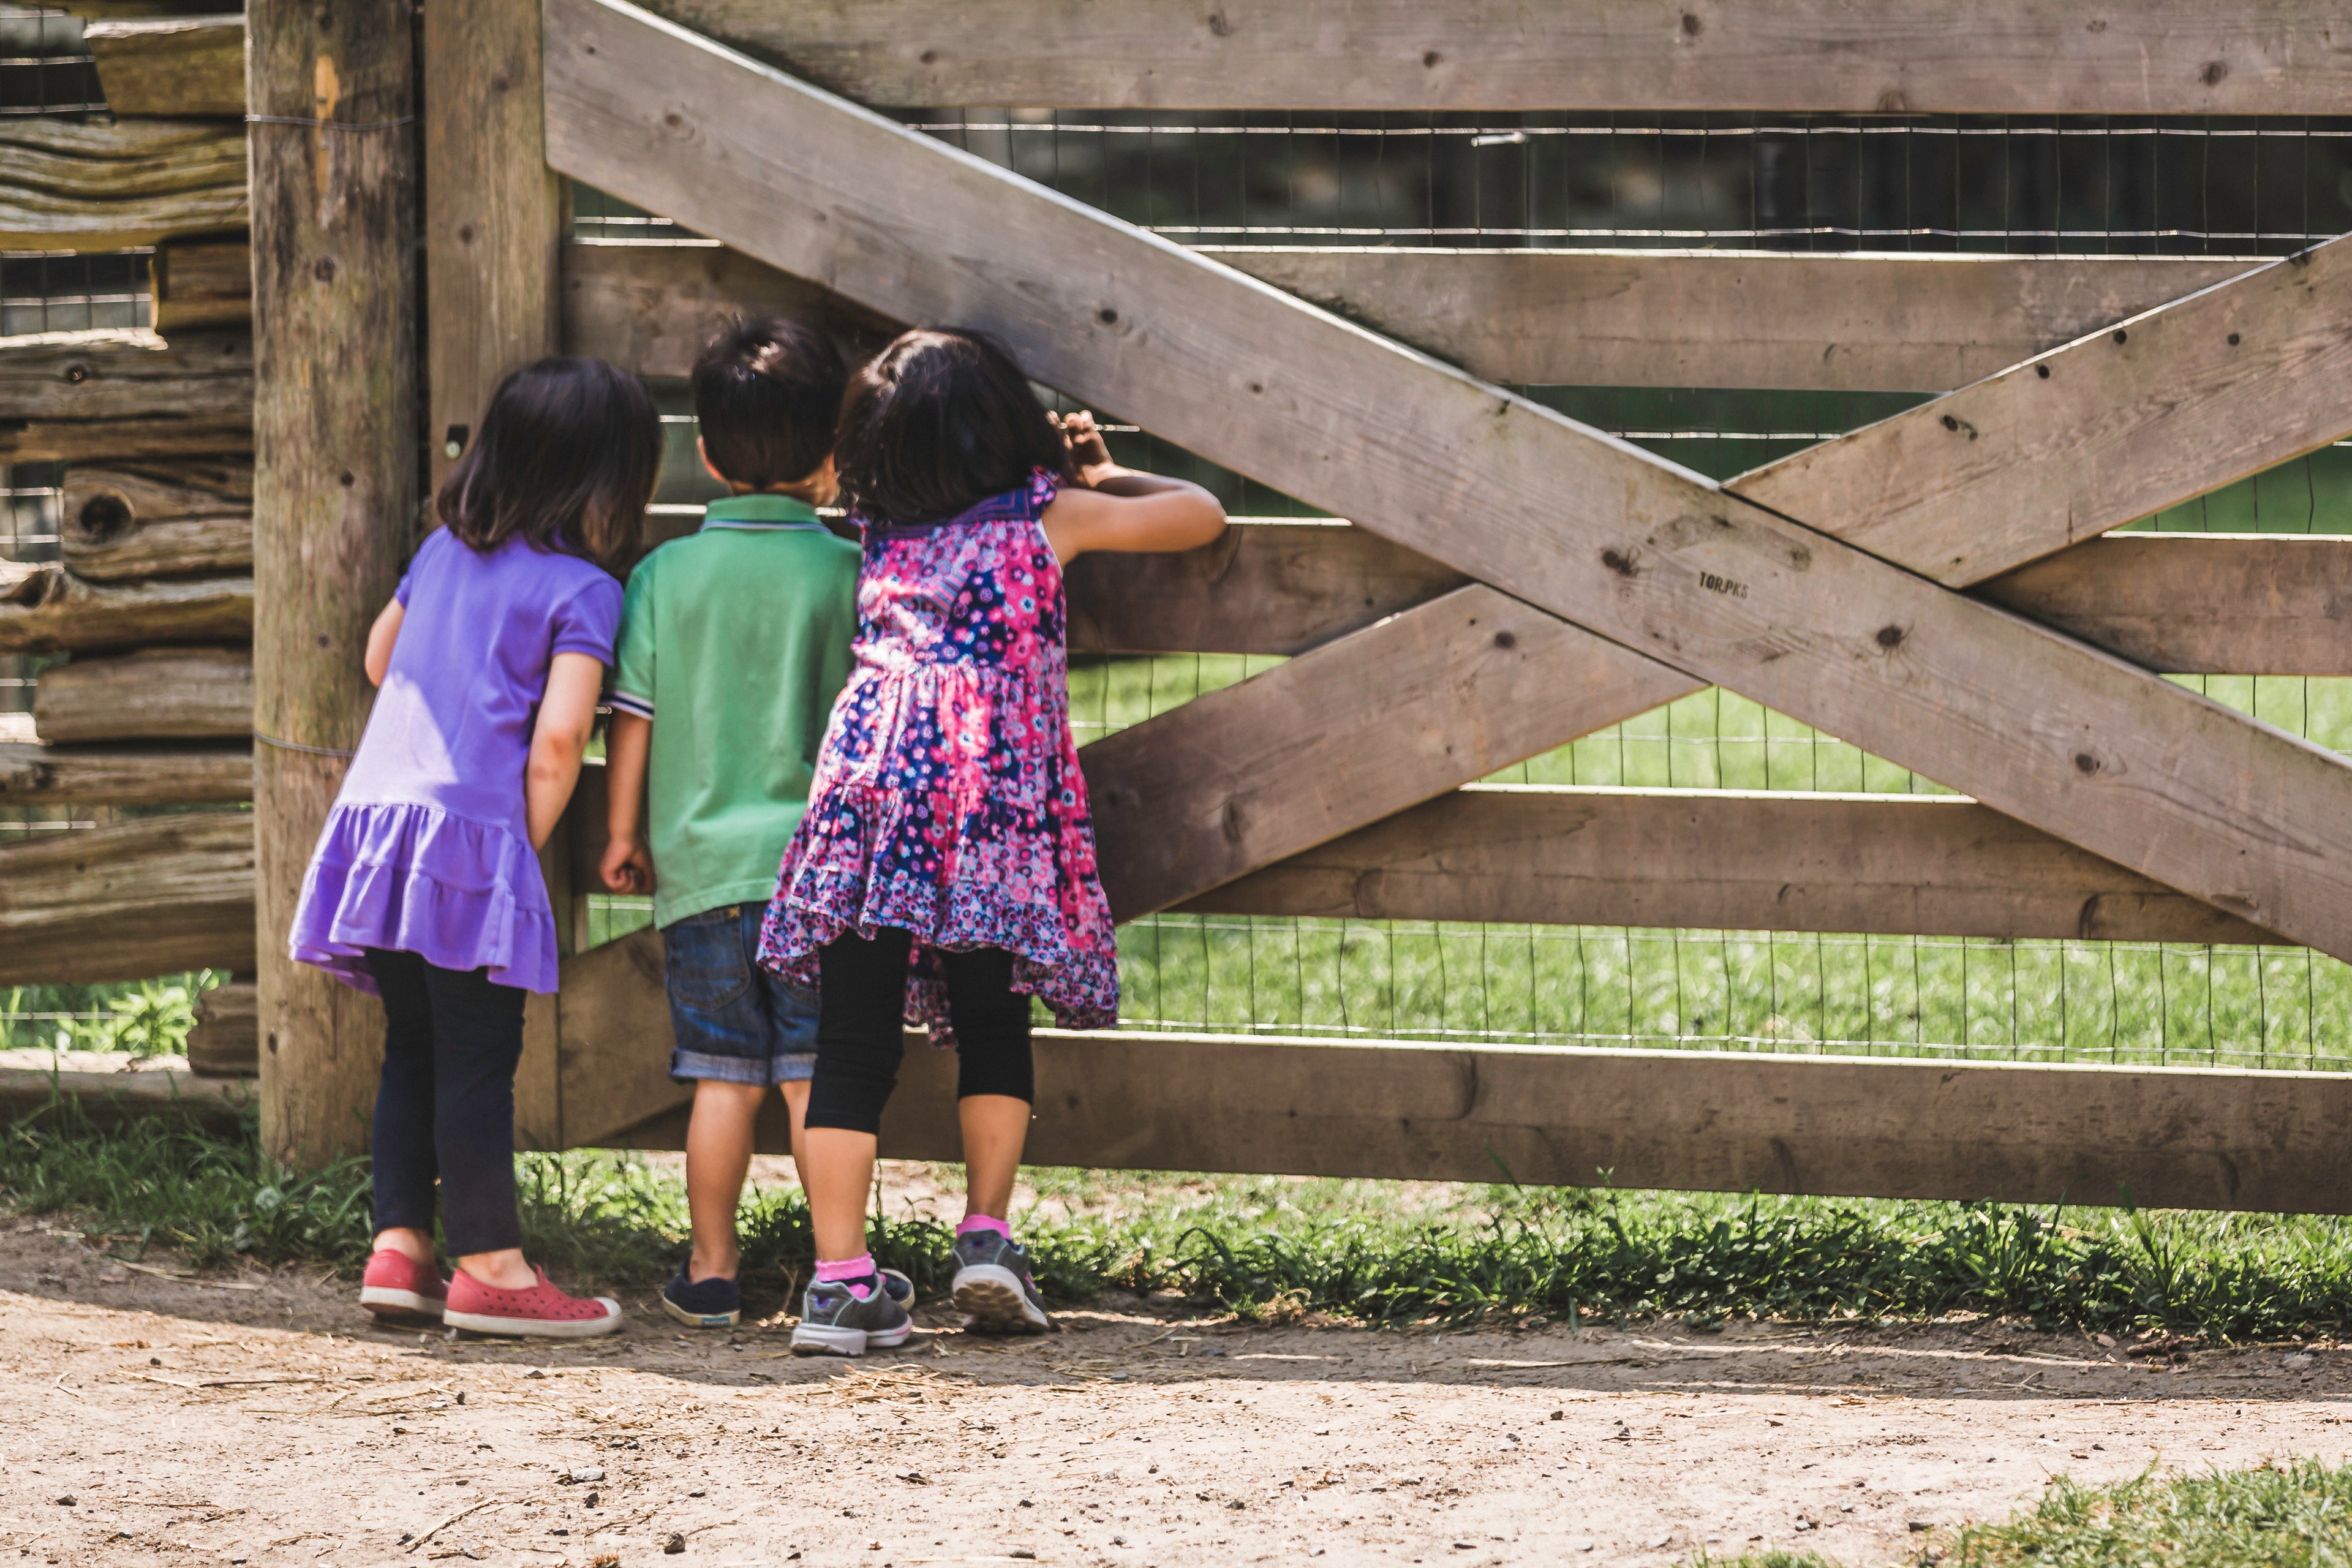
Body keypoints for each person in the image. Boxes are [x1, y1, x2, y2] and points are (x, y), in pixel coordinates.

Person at [759, 328, 1227, 1357]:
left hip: (869, 795)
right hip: (985, 802)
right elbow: (1201, 517)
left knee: (850, 1039)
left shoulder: (880, 532)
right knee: (991, 1017)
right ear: (1003, 429)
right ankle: (984, 1239)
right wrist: (1102, 469)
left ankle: (838, 1285)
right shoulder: (1045, 518)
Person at [288, 356, 660, 1339]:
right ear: (612, 478)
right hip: (470, 841)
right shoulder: (586, 590)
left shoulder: (442, 553)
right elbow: (557, 744)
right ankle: (492, 1267)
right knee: (479, 1059)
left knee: (410, 1046)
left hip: (375, 829)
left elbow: (378, 658)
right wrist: (513, 857)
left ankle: (400, 1249)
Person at [600, 317, 910, 1330]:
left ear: (705, 451)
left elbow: (632, 723)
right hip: (820, 877)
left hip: (699, 870)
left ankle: (713, 1269)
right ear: (833, 451)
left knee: (722, 1077)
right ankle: (839, 1267)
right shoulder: (850, 572)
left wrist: (621, 836)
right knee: (816, 1073)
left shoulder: (663, 579)